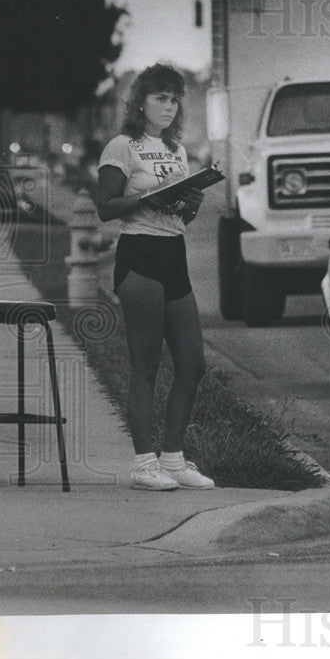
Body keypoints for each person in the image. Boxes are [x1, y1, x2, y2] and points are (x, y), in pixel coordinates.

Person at [96, 64, 214, 491]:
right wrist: (146, 195)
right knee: (145, 366)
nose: (169, 105)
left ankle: (173, 458)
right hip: (139, 255)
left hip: (173, 253)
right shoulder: (122, 146)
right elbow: (106, 206)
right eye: (160, 97)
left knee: (192, 364)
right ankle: (144, 465)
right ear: (141, 102)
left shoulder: (176, 150)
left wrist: (192, 200)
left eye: (174, 98)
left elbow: (181, 214)